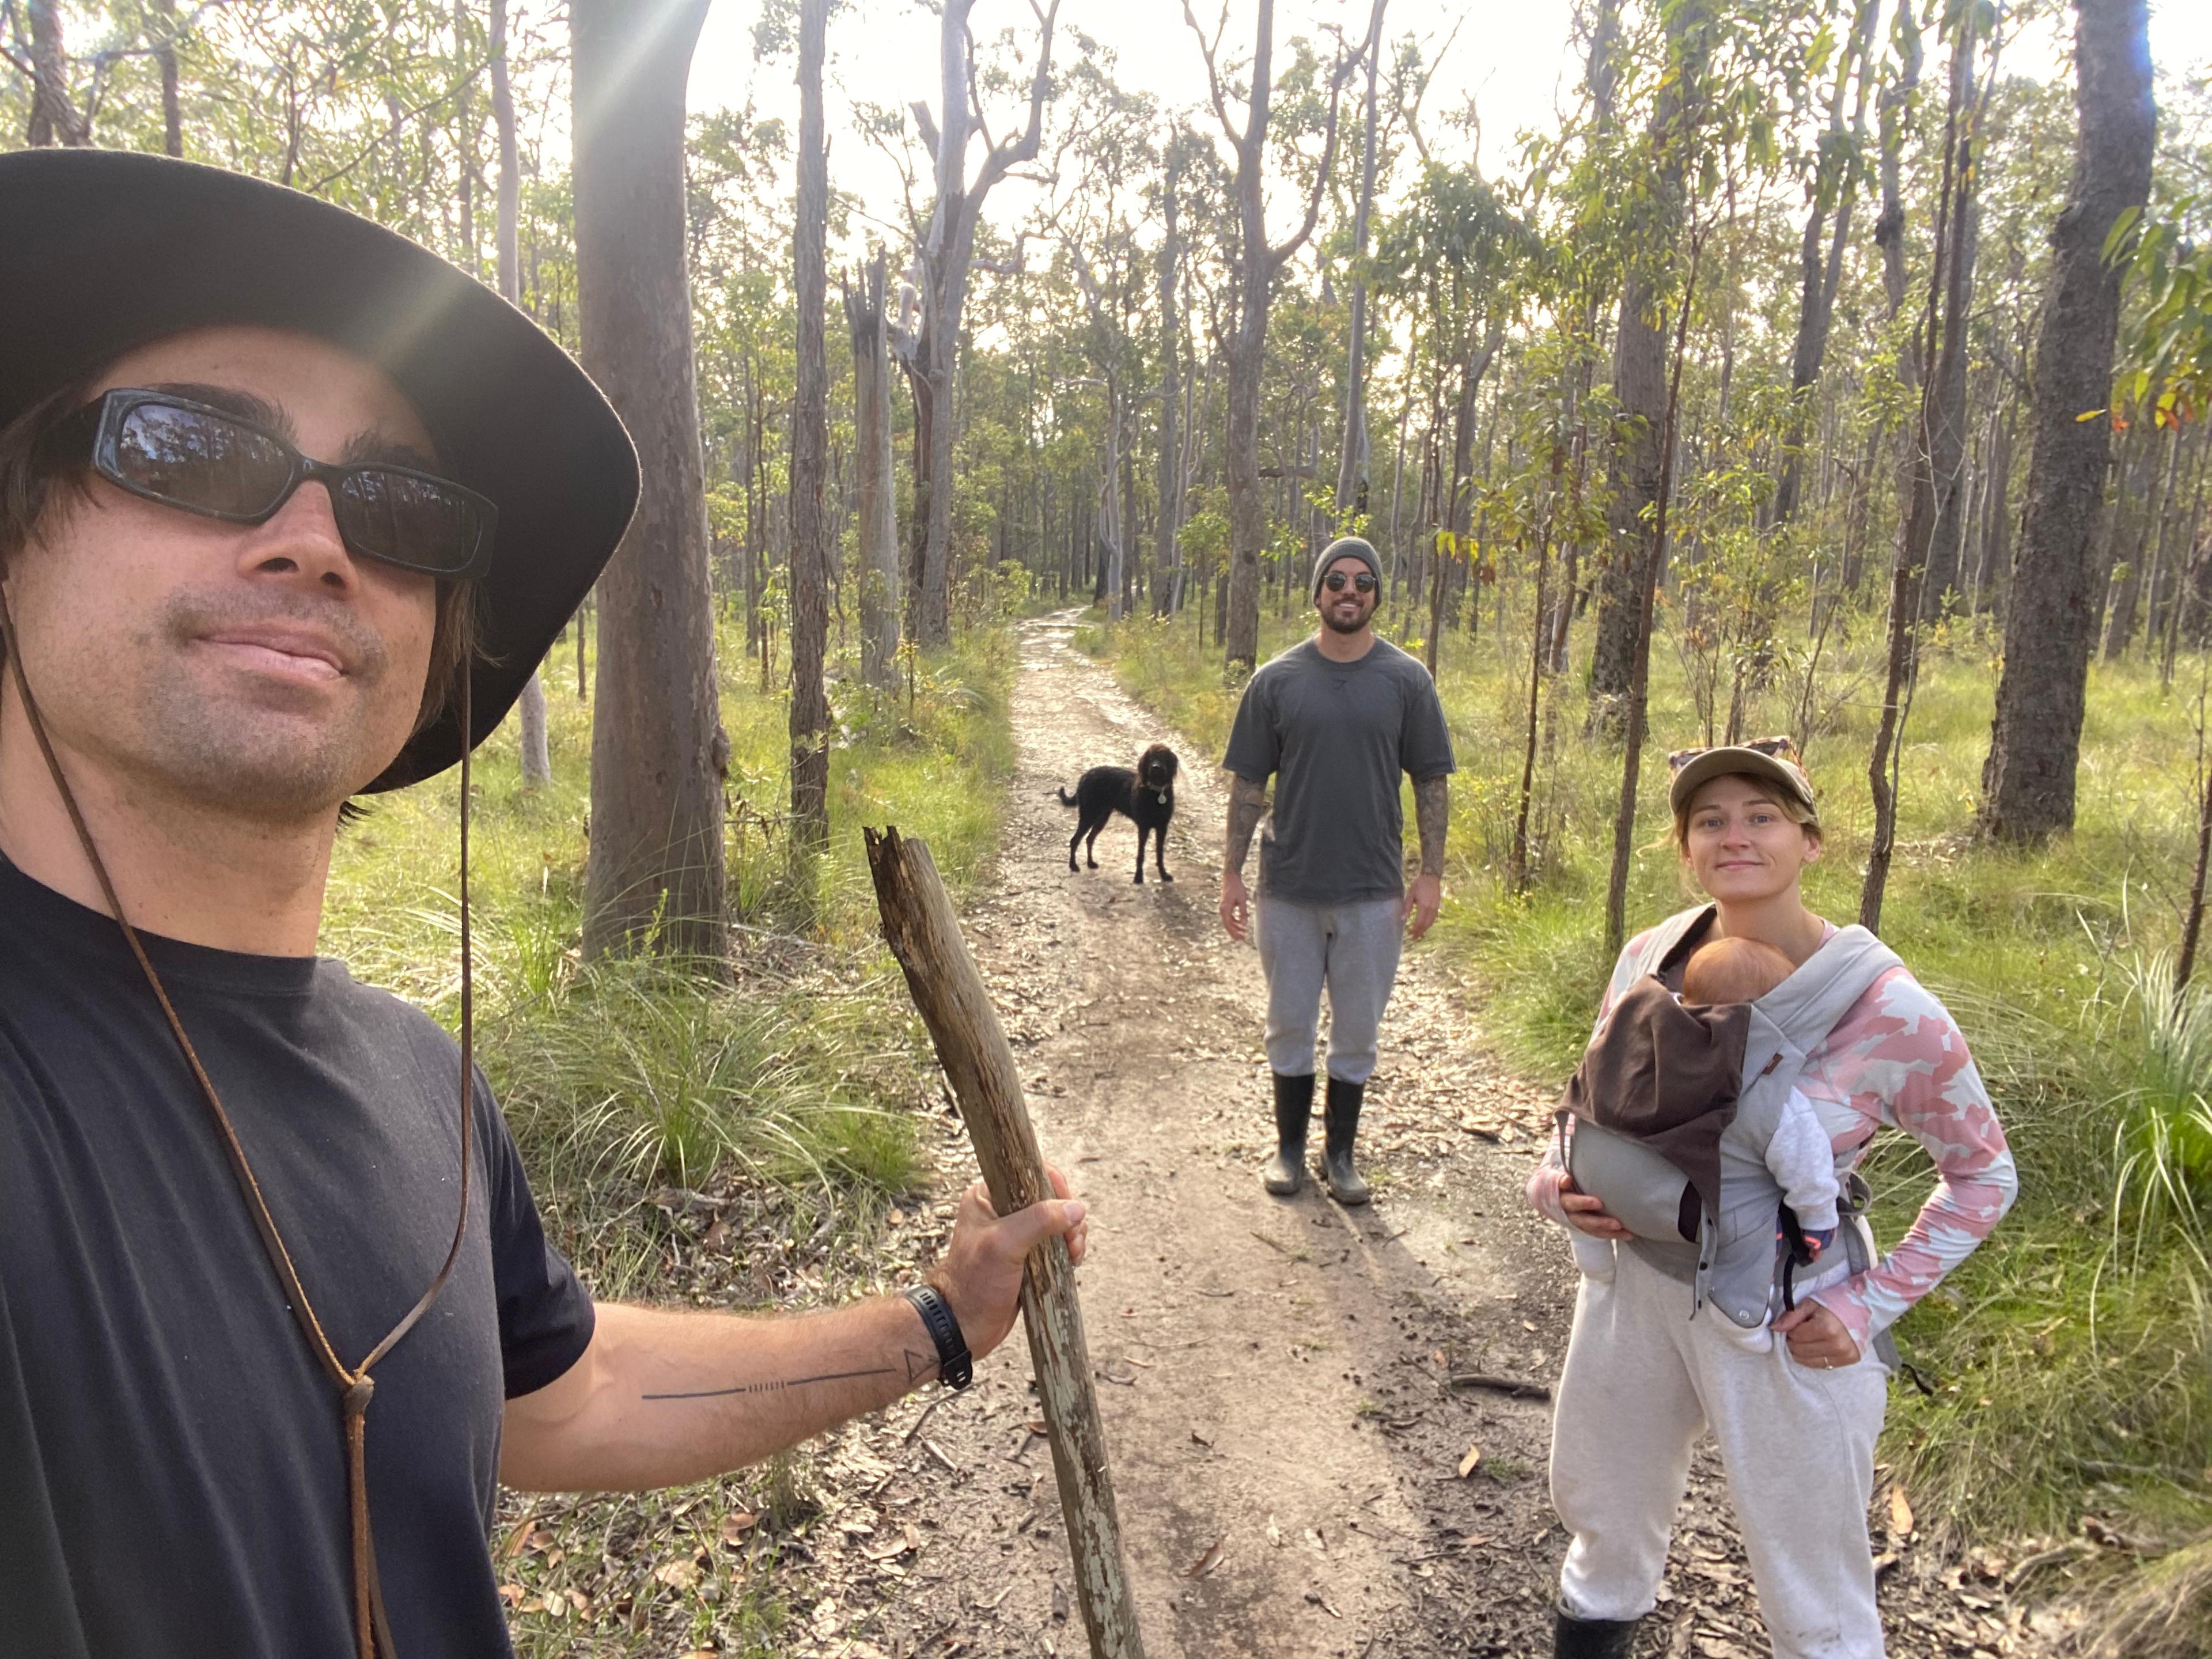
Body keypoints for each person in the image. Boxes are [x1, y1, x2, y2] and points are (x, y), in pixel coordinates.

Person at [0, 149, 1086, 1659]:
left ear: (443, 636)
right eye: (190, 448)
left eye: (394, 504)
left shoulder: (412, 1083)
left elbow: (563, 1398)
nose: (315, 539)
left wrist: (934, 1328)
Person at [1526, 740, 2017, 1659]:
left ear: (1810, 842)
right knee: (1605, 1530)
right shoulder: (1652, 953)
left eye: (1762, 816)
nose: (1734, 836)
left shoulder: (1890, 1010)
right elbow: (1592, 1092)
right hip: (1636, 1290)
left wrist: (1868, 1303)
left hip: (1788, 1317)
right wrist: (1554, 1183)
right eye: (1709, 820)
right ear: (1685, 847)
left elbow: (1985, 1176)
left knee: (1813, 1594)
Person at [1219, 536, 1455, 1205]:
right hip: (1288, 886)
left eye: (1363, 581)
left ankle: (1342, 1155)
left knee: (1358, 1031)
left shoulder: (1407, 681)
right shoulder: (1277, 681)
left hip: (1373, 892)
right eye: (1336, 580)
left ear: (1378, 594)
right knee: (1289, 1024)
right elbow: (1247, 786)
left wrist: (1429, 873)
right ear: (1317, 592)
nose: (1349, 591)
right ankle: (1289, 1150)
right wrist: (1232, 874)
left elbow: (1431, 780)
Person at [1554, 933, 1840, 1291]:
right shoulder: (1753, 1072)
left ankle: (1592, 1256)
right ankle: (1749, 1297)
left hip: (1589, 1182)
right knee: (1754, 1227)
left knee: (1594, 1179)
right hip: (1679, 1218)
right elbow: (1804, 1159)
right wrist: (1818, 1219)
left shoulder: (1640, 1028)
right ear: (1766, 1012)